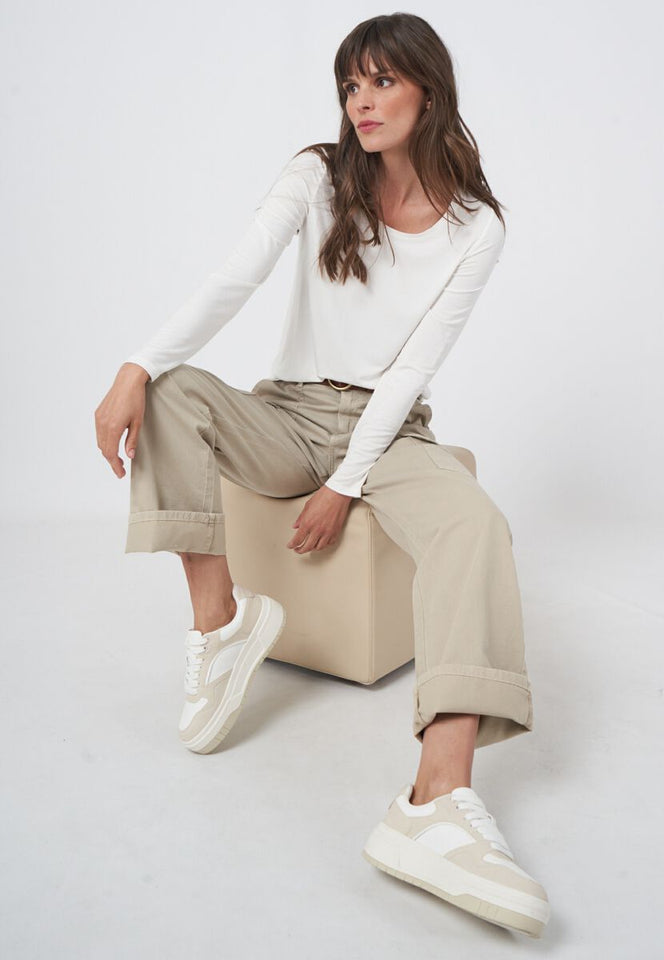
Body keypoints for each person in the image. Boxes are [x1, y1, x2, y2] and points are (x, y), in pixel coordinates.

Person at [94, 12, 550, 939]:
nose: (362, 102)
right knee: (174, 392)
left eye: (382, 81)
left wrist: (347, 482)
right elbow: (234, 278)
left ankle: (436, 801)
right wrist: (137, 364)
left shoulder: (477, 226)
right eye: (351, 85)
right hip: (289, 411)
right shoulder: (316, 175)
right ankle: (221, 625)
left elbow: (413, 368)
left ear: (429, 89)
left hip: (392, 428)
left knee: (475, 524)